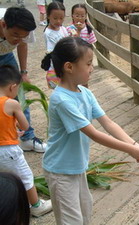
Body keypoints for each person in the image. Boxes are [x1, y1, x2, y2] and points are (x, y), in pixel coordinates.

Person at [41, 37, 139, 225]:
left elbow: (108, 123)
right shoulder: (62, 101)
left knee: (85, 212)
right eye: (89, 63)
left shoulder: (85, 93)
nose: (92, 68)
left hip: (77, 167)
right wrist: (130, 150)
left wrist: (134, 144)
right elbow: (94, 133)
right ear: (69, 67)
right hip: (60, 171)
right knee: (70, 220)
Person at [0, 65, 52, 218]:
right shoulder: (11, 104)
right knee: (26, 177)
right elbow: (25, 126)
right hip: (8, 150)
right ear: (12, 87)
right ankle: (36, 206)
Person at [0, 7, 47, 152]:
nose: (18, 39)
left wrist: (23, 72)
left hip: (6, 55)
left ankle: (27, 138)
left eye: (22, 36)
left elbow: (22, 45)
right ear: (3, 25)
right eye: (15, 35)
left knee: (18, 93)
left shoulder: (24, 28)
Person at [43, 1, 68, 89]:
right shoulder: (48, 33)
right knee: (60, 90)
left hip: (65, 63)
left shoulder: (63, 28)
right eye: (55, 18)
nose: (58, 21)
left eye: (61, 18)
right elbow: (53, 51)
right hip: (57, 66)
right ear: (48, 16)